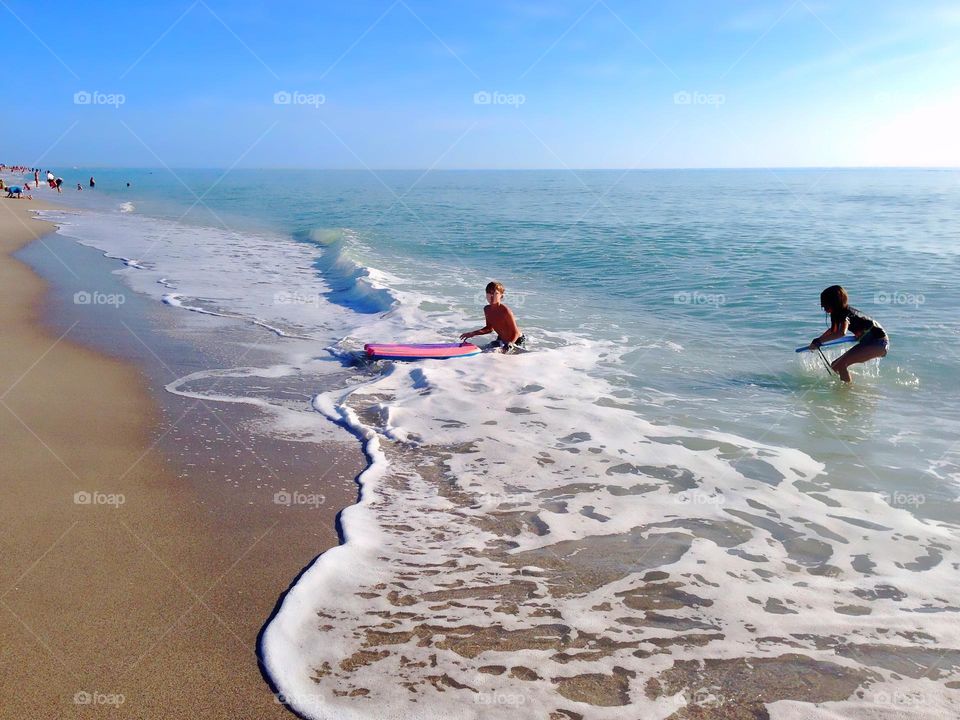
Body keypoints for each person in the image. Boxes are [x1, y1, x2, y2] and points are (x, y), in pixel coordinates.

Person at [808, 285, 888, 383]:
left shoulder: (845, 314)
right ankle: (848, 388)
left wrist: (819, 341)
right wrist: (817, 341)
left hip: (878, 342)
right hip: (870, 342)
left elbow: (841, 333)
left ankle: (846, 392)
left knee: (842, 365)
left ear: (834, 303)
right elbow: (833, 331)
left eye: (825, 305)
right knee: (834, 366)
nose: (823, 308)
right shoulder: (836, 314)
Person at [460, 281, 525, 353]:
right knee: (485, 350)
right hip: (501, 339)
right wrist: (472, 333)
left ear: (501, 296)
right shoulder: (487, 309)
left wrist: (510, 344)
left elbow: (516, 333)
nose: (491, 296)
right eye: (489, 293)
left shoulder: (505, 311)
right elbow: (489, 329)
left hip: (515, 340)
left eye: (495, 293)